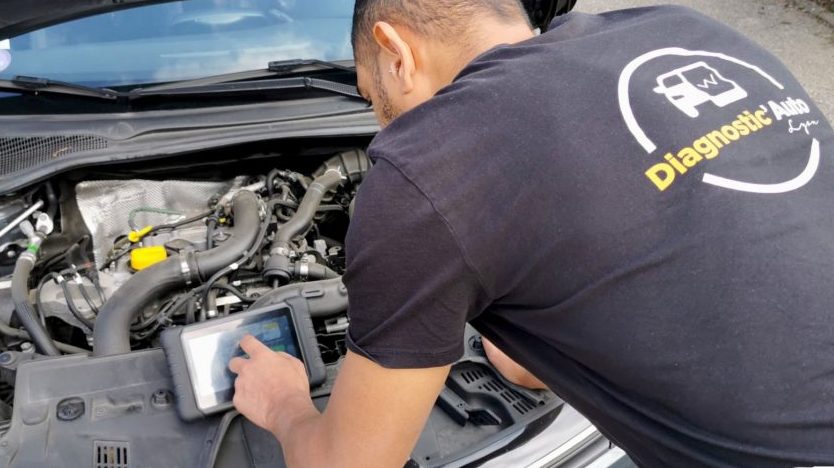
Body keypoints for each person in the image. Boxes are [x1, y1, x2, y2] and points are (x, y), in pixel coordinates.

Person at [228, 1, 834, 466]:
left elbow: (352, 462)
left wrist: (283, 404)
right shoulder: (686, 31)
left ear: (394, 52)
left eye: (370, 97)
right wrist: (530, 353)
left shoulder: (431, 167)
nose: (380, 121)